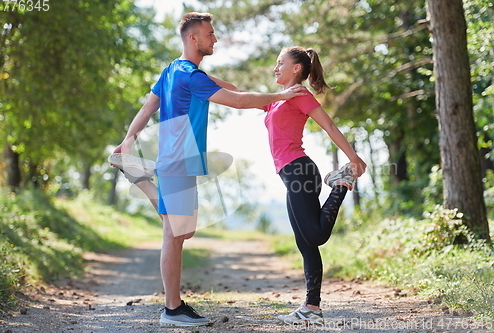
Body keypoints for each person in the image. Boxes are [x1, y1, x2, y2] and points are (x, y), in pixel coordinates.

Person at [110, 12, 306, 327]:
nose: (215, 39)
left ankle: (139, 177)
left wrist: (127, 140)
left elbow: (153, 105)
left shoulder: (174, 71)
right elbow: (237, 101)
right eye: (210, 34)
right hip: (178, 160)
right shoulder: (189, 75)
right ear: (193, 38)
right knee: (174, 234)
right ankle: (172, 310)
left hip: (181, 161)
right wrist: (280, 96)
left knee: (183, 229)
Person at [261, 46, 367, 324]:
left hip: (300, 171)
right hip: (290, 175)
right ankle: (312, 308)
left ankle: (340, 185)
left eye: (280, 63)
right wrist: (201, 77)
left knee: (316, 236)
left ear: (296, 68)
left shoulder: (299, 94)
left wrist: (353, 158)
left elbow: (329, 126)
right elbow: (237, 94)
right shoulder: (277, 99)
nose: (275, 68)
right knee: (306, 243)